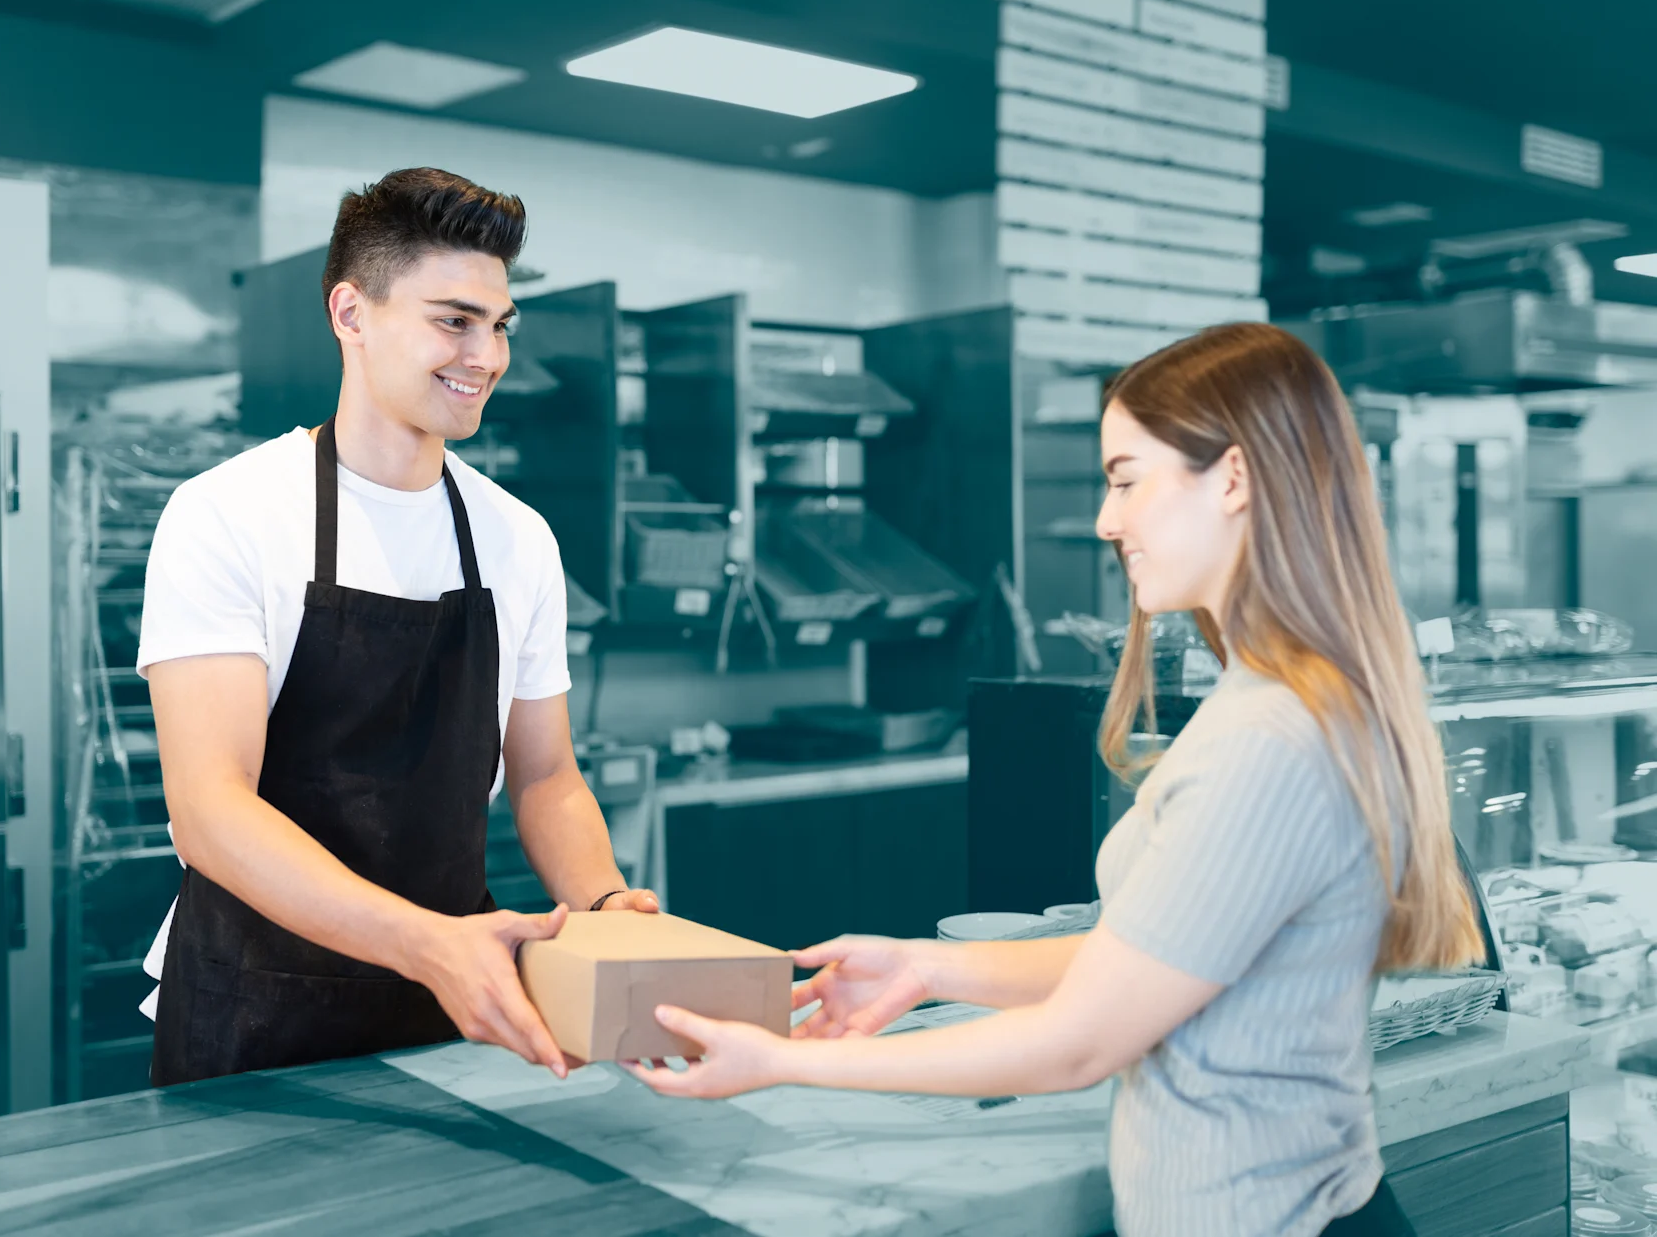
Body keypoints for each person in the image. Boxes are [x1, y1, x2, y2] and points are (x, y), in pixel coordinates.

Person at [626, 322, 1485, 1237]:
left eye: (1126, 479)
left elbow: (1082, 1040)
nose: (1108, 521)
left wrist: (784, 1061)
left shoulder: (1269, 737)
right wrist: (928, 966)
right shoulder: (1285, 698)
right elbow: (1154, 961)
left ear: (1234, 477)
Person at [136, 167, 656, 1088]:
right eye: (454, 320)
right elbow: (212, 810)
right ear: (352, 313)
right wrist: (429, 944)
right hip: (256, 1015)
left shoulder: (516, 538)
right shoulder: (227, 514)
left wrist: (605, 901)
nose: (486, 356)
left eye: (500, 325)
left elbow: (545, 773)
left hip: (454, 1008)